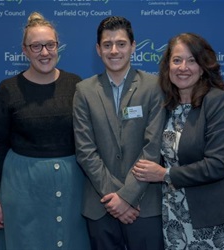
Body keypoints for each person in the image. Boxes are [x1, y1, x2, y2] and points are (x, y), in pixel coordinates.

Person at [132, 32, 224, 249]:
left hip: (210, 219)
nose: (183, 67)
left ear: (203, 67)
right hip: (173, 219)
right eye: (177, 60)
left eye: (191, 60)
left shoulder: (217, 102)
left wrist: (165, 174)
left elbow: (218, 164)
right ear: (168, 66)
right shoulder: (166, 105)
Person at [0, 12, 90, 250]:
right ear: (24, 50)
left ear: (58, 46)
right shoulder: (8, 89)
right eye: (36, 46)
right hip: (21, 189)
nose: (45, 53)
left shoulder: (76, 85)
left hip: (73, 188)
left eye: (50, 45)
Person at [73, 16, 165, 250]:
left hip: (144, 207)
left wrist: (127, 197)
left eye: (121, 44)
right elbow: (85, 151)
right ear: (98, 49)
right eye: (107, 44)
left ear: (133, 46)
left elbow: (152, 148)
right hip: (101, 206)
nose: (114, 51)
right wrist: (117, 198)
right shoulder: (83, 91)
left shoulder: (154, 87)